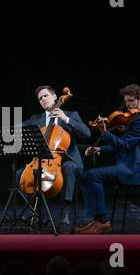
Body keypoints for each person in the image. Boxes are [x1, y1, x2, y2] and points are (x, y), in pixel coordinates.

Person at [77, 84, 140, 234]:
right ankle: (98, 219)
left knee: (92, 175)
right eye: (126, 101)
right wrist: (99, 149)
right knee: (86, 176)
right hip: (128, 166)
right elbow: (123, 146)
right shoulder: (136, 118)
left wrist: (105, 132)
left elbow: (124, 145)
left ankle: (103, 221)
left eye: (131, 101)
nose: (127, 105)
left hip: (134, 170)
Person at [16, 85, 91, 226]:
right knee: (20, 174)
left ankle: (65, 213)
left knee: (69, 167)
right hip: (43, 161)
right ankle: (38, 212)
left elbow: (86, 133)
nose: (43, 99)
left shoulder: (71, 114)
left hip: (67, 160)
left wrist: (66, 119)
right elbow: (19, 126)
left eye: (45, 95)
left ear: (55, 97)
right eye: (40, 98)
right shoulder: (35, 119)